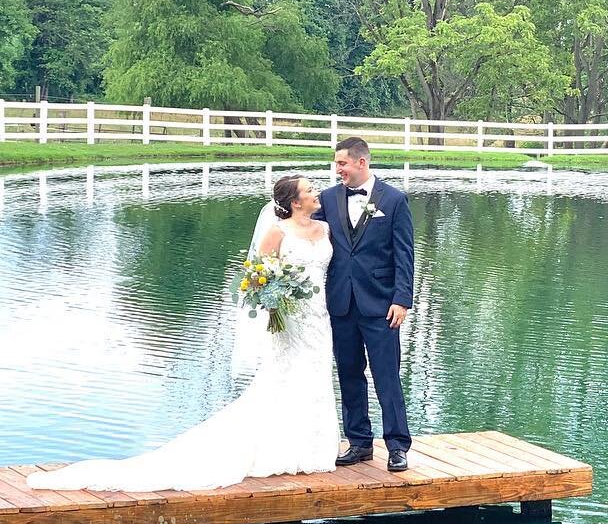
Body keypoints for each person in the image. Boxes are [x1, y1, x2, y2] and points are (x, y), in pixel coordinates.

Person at [28, 176, 339, 492]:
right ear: (295, 202)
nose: (317, 192)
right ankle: (280, 449)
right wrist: (277, 300)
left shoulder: (325, 229)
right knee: (284, 377)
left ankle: (312, 447)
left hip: (320, 316)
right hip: (288, 320)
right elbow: (257, 276)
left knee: (315, 374)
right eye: (310, 190)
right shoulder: (277, 232)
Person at [317, 137, 414, 473]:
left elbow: (404, 254)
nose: (337, 169)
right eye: (336, 164)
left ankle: (398, 446)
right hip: (341, 303)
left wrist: (402, 299)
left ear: (361, 162)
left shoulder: (394, 200)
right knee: (348, 374)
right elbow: (298, 224)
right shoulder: (328, 198)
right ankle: (359, 442)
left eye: (342, 163)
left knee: (387, 376)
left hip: (382, 305)